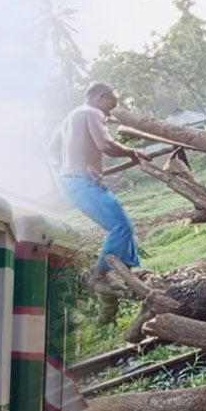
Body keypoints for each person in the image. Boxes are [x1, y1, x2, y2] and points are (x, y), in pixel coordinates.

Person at [48, 83, 151, 322]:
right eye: (111, 105)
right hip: (80, 182)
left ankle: (123, 273)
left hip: (74, 182)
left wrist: (78, 168)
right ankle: (97, 276)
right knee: (120, 227)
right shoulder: (92, 113)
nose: (110, 113)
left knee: (122, 225)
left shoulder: (70, 117)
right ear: (101, 96)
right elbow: (105, 145)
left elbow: (53, 152)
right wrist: (133, 153)